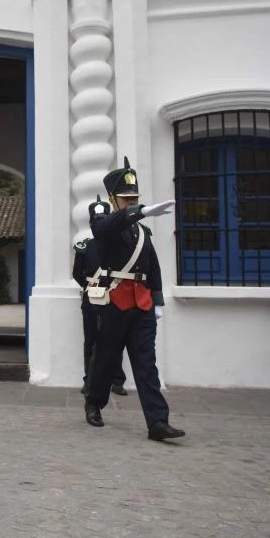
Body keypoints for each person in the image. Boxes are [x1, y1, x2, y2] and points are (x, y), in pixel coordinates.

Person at [83, 157, 185, 442]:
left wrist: (158, 299)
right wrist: (138, 211)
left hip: (141, 304)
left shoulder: (144, 232)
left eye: (134, 198)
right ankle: (94, 402)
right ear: (113, 199)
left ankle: (157, 422)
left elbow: (153, 265)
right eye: (126, 198)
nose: (131, 202)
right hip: (114, 302)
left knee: (146, 363)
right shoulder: (103, 222)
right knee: (105, 359)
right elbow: (103, 230)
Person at [72, 195, 128, 397]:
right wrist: (92, 287)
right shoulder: (85, 247)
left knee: (116, 338)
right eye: (97, 222)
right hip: (92, 299)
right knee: (91, 340)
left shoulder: (120, 244)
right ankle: (89, 380)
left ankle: (117, 380)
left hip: (115, 297)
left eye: (102, 221)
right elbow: (77, 274)